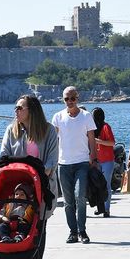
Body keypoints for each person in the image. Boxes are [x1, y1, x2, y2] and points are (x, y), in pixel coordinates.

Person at [0, 95, 58, 259]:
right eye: (15, 108)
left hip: (41, 186)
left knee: (38, 226)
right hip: (17, 187)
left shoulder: (48, 131)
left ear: (31, 110)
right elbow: (4, 155)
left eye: (19, 108)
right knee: (11, 223)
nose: (15, 111)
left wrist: (40, 176)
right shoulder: (12, 131)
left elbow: (51, 160)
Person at [52, 86, 97, 244]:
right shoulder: (57, 117)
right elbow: (53, 140)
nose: (70, 102)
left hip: (82, 163)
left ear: (78, 98)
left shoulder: (86, 116)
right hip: (63, 164)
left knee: (80, 196)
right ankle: (72, 231)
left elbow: (92, 138)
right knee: (68, 201)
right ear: (63, 100)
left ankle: (82, 231)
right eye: (66, 99)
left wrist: (94, 158)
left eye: (72, 98)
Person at [92, 107, 115, 218]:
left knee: (106, 185)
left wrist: (98, 141)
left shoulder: (106, 127)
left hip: (107, 160)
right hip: (96, 160)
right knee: (97, 186)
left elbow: (112, 143)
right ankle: (100, 208)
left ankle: (107, 209)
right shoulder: (92, 129)